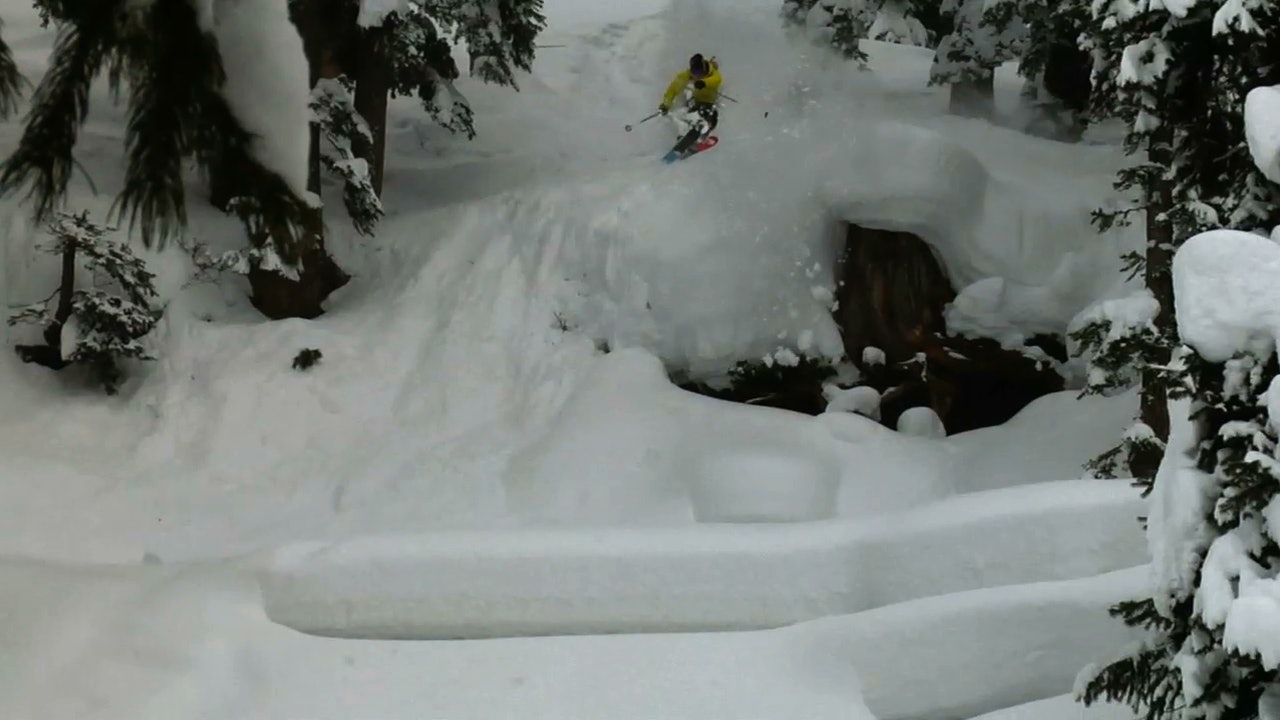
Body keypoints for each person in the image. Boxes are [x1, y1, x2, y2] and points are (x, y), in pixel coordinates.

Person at [658, 54, 723, 152]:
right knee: (691, 115)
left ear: (704, 68)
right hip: (696, 102)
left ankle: (702, 137)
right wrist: (665, 105)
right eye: (694, 72)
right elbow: (672, 90)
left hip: (710, 102)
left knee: (710, 115)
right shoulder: (687, 75)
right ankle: (684, 138)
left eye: (699, 72)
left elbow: (717, 79)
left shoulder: (712, 72)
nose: (697, 75)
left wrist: (704, 82)